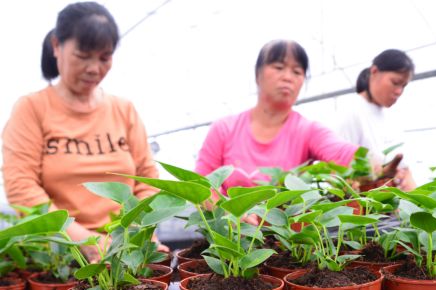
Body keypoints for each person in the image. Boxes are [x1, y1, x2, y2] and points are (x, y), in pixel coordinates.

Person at [2, 1, 167, 261]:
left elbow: (147, 179)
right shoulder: (32, 108)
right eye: (82, 55)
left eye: (104, 58)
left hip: (127, 246)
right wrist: (86, 241)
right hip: (61, 253)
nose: (94, 68)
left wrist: (134, 235)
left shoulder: (124, 110)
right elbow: (22, 187)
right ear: (57, 46)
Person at [195, 39, 390, 194]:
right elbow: (201, 184)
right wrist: (228, 211)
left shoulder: (307, 130)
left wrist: (378, 164)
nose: (288, 77)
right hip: (230, 234)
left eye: (297, 71)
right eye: (279, 67)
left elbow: (340, 152)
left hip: (286, 238)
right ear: (257, 75)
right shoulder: (224, 129)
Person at [336, 49, 417, 191]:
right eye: (395, 82)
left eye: (403, 85)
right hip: (367, 207)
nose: (399, 91)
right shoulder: (352, 111)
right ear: (374, 72)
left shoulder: (390, 115)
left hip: (392, 206)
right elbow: (338, 174)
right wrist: (377, 176)